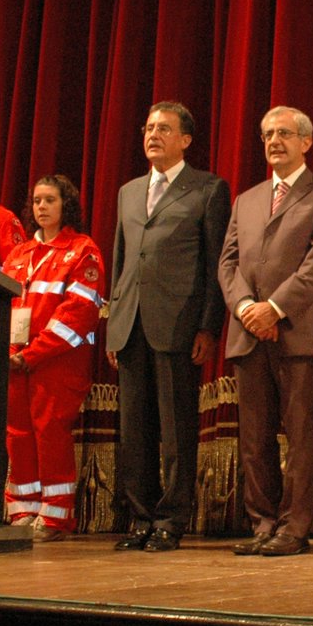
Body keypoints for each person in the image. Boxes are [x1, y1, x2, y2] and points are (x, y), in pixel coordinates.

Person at [218, 106, 313, 558]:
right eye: (268, 133)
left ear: (305, 142)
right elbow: (228, 262)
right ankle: (263, 524)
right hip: (248, 332)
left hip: (297, 334)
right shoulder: (246, 199)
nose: (274, 141)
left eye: (284, 134)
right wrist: (247, 307)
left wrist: (274, 308)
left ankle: (294, 528)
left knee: (300, 433)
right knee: (253, 438)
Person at [106, 102, 231, 553]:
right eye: (148, 127)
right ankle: (140, 517)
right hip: (131, 323)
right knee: (134, 428)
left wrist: (208, 326)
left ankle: (171, 519)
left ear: (185, 140)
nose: (153, 134)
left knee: (176, 428)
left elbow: (215, 263)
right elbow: (122, 260)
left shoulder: (208, 189)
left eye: (164, 128)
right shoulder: (128, 191)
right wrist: (114, 323)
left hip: (178, 325)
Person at [2, 175, 105, 542]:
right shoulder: (18, 255)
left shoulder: (82, 251)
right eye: (36, 201)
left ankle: (56, 517)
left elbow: (77, 315)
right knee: (17, 435)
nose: (41, 207)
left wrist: (32, 355)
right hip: (16, 363)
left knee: (49, 434)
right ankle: (23, 510)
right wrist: (10, 354)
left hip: (56, 363)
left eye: (50, 200)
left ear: (67, 206)